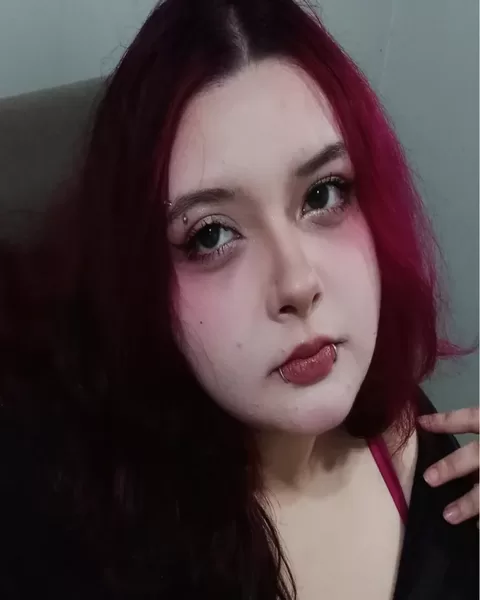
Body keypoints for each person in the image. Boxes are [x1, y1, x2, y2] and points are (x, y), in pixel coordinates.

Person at [0, 0, 477, 598]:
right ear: (140, 276)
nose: (297, 284)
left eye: (324, 194)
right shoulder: (65, 516)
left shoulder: (418, 437)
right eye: (211, 235)